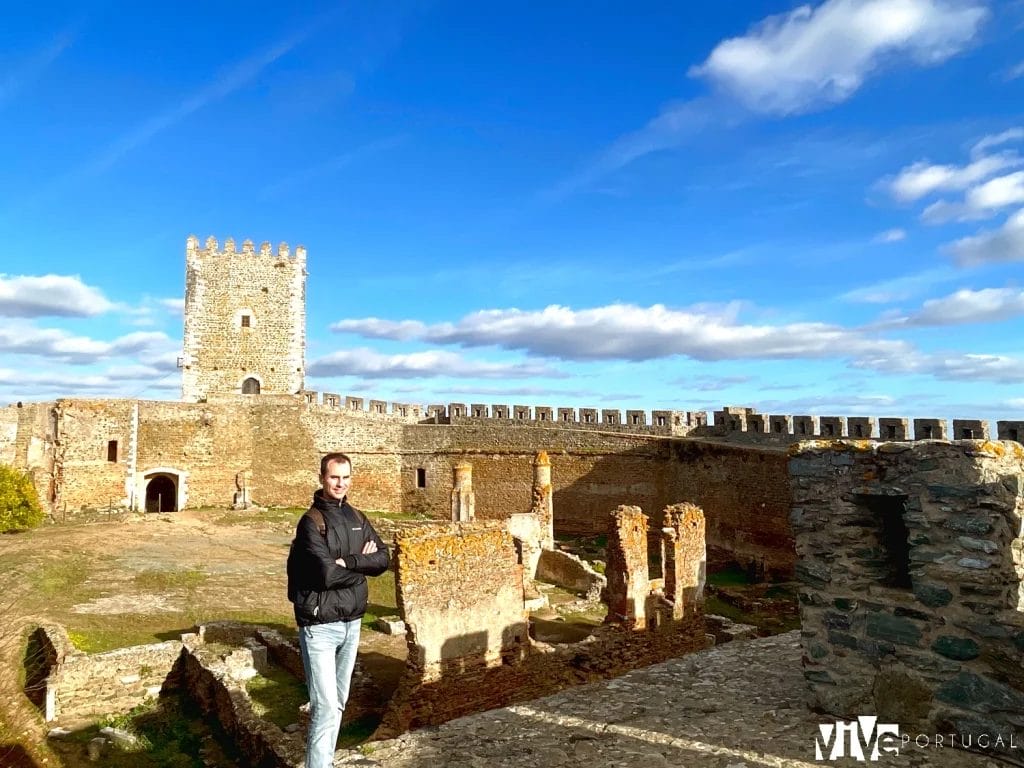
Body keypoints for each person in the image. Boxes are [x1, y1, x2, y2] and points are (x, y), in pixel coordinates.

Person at [287, 452, 390, 768]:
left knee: (339, 702)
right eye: (334, 477)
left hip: (352, 622)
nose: (340, 483)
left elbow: (383, 559)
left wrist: (350, 562)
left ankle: (324, 761)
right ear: (321, 478)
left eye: (345, 477)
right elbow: (326, 574)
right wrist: (362, 565)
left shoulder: (358, 518)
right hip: (320, 626)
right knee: (325, 705)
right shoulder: (311, 523)